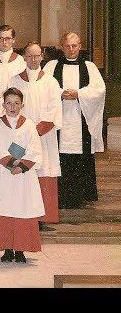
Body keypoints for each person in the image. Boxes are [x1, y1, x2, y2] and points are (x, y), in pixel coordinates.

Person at [44, 32, 106, 209]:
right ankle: (59, 196)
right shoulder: (51, 66)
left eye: (75, 46)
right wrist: (60, 93)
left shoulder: (89, 67)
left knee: (80, 154)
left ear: (80, 46)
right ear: (61, 46)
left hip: (81, 119)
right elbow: (44, 87)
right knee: (59, 154)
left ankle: (80, 195)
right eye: (67, 46)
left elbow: (99, 90)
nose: (71, 50)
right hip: (59, 119)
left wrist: (79, 94)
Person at [0, 87, 44, 263]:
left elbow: (35, 150)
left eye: (16, 103)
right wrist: (12, 165)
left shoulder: (29, 125)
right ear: (3, 104)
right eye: (9, 103)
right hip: (4, 175)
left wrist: (22, 167)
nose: (12, 107)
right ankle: (7, 249)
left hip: (23, 176)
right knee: (5, 210)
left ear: (22, 105)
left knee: (22, 210)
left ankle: (20, 250)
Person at [9, 42, 62, 227]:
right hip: (19, 137)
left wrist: (34, 132)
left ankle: (41, 219)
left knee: (43, 171)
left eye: (37, 55)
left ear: (42, 56)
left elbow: (54, 111)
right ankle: (22, 214)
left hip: (43, 137)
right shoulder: (14, 81)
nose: (33, 59)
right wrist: (22, 133)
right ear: (23, 57)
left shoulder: (50, 82)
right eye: (30, 56)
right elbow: (10, 108)